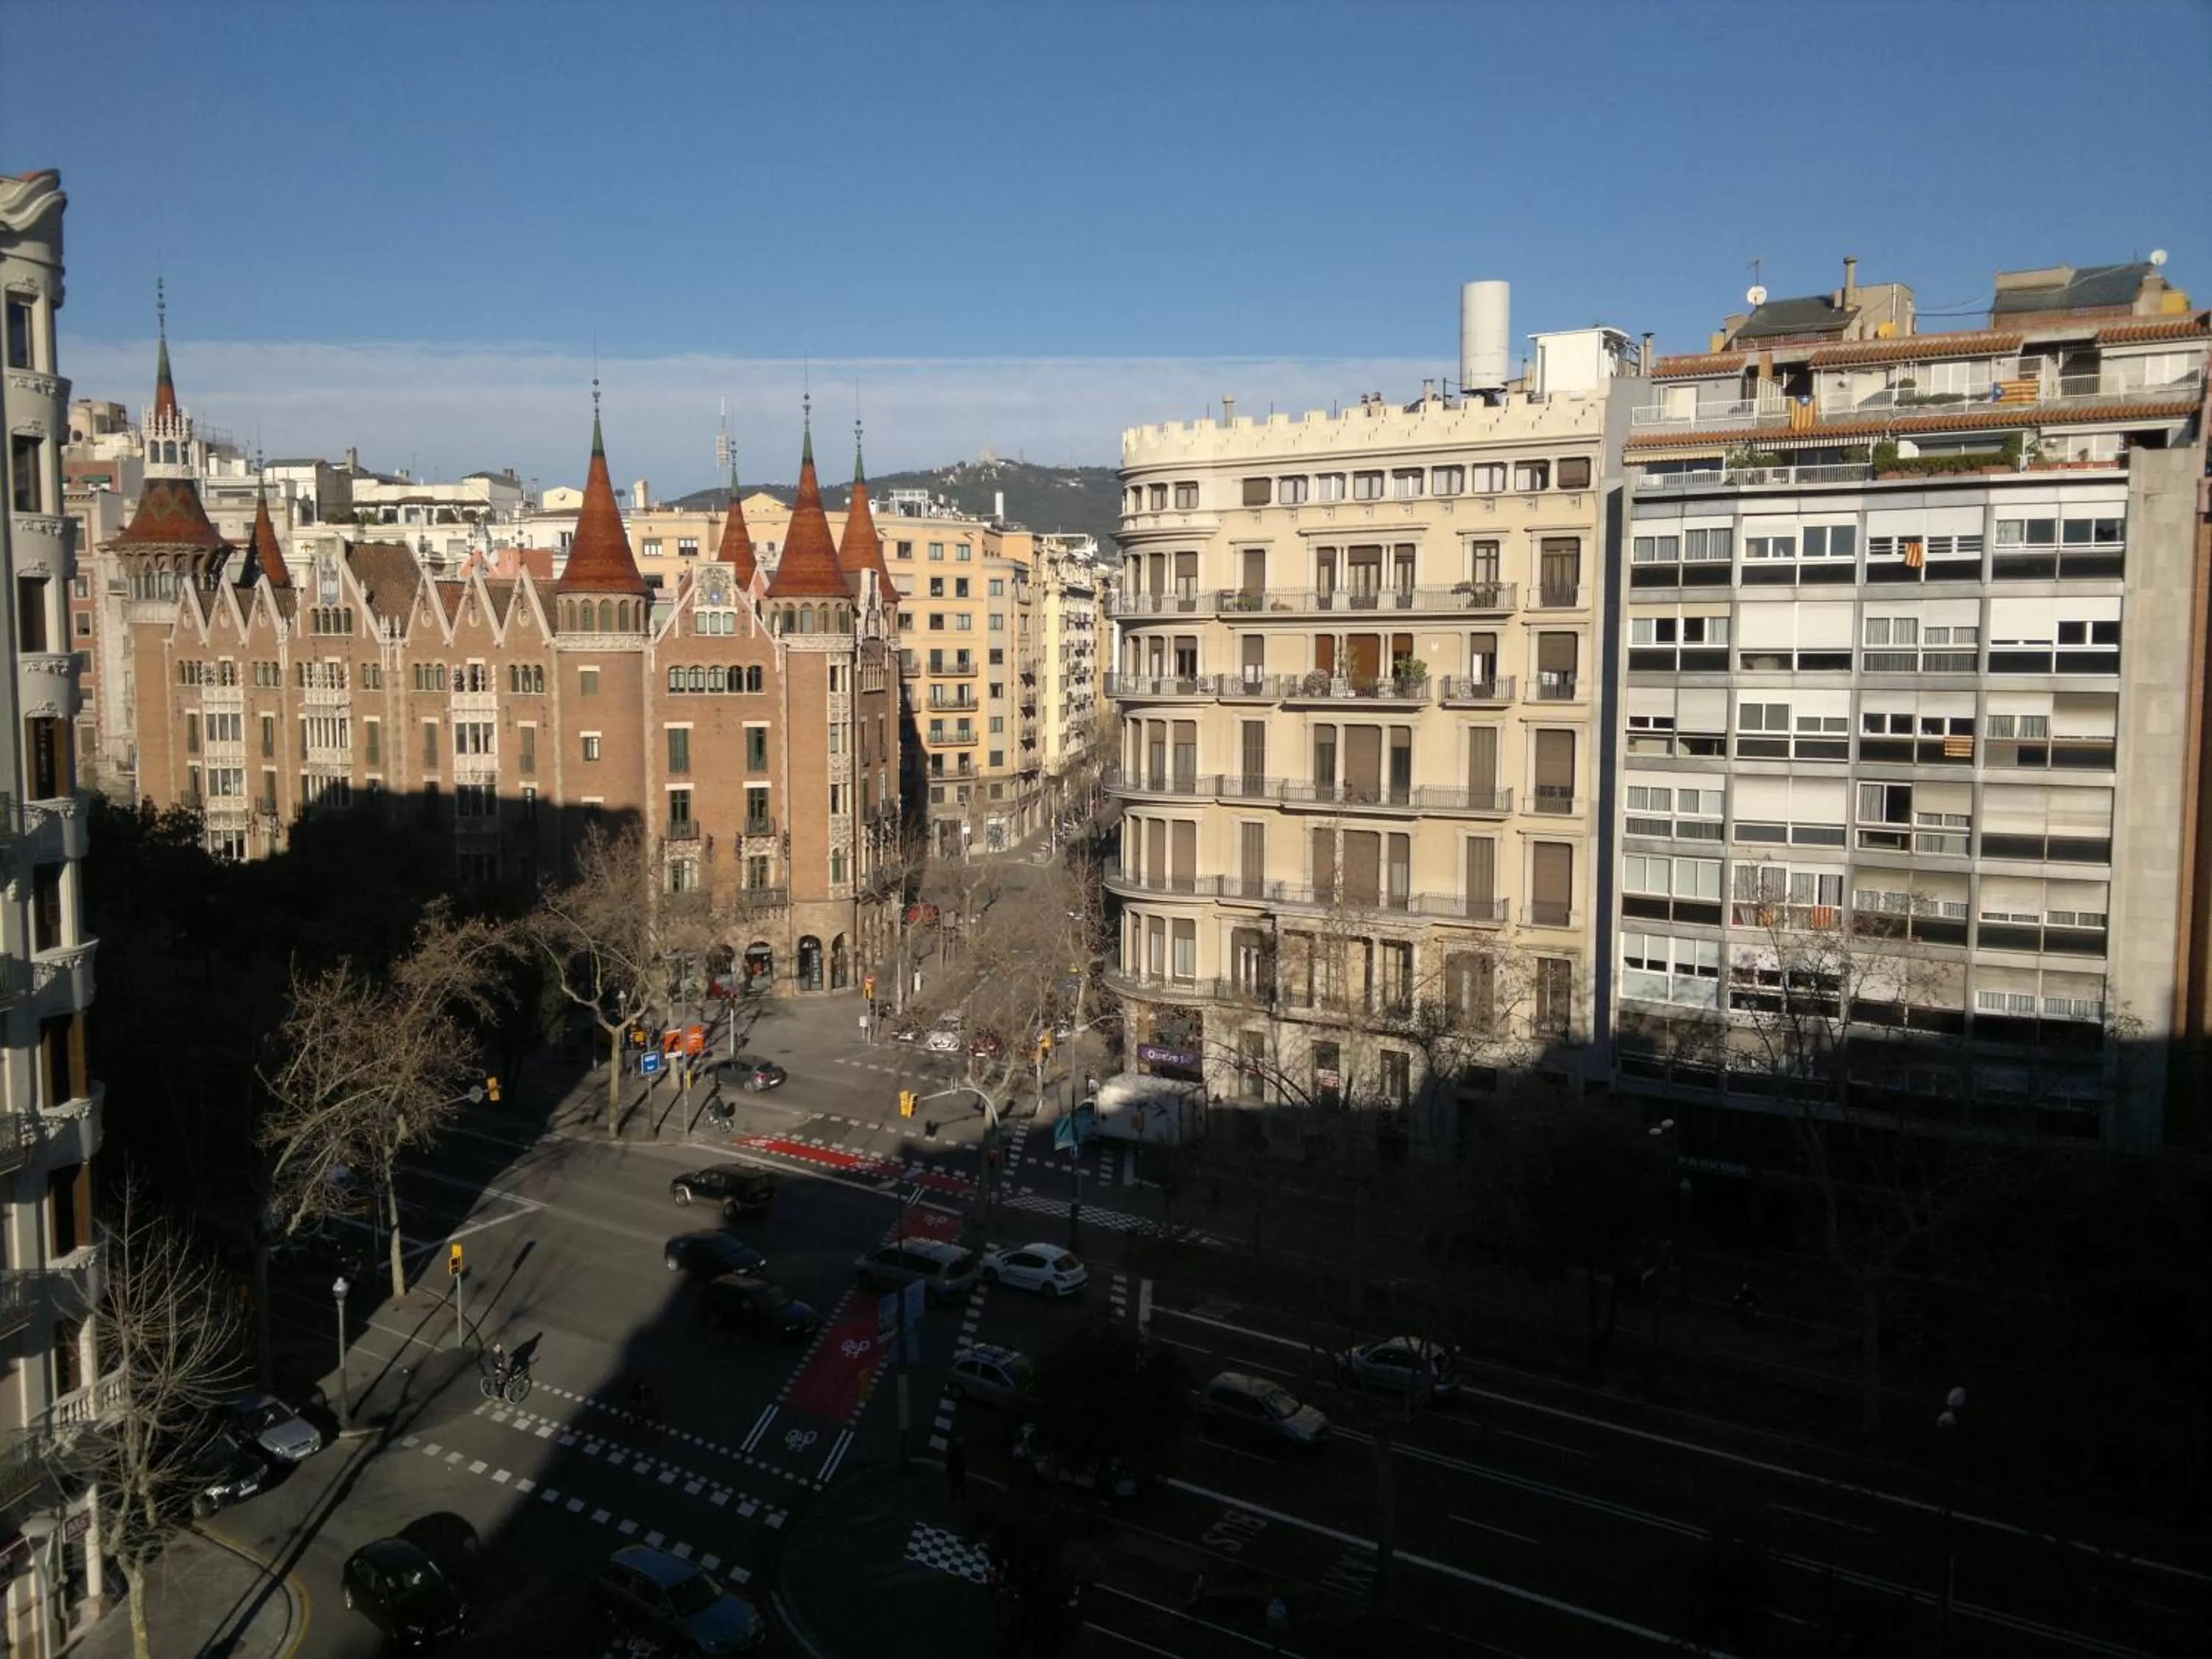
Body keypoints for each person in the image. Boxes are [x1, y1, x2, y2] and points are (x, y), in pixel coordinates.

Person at [946, 1430, 969, 1506]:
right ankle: (960, 1497)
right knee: (958, 1484)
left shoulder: (957, 1450)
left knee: (957, 1484)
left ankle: (959, 1496)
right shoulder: (958, 1451)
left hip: (958, 1470)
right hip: (958, 1470)